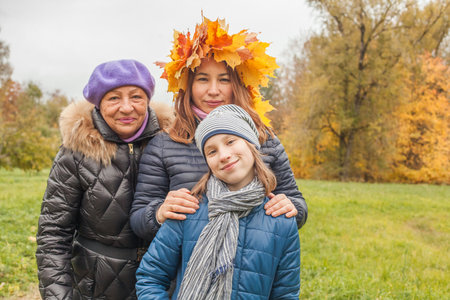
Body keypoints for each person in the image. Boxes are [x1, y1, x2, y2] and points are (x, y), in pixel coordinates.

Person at [131, 16, 308, 243]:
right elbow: (138, 220)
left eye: (223, 80)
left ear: (238, 85)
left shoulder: (265, 139)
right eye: (203, 79)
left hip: (252, 267)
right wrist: (158, 213)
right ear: (188, 86)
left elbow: (297, 203)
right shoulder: (165, 144)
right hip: (186, 271)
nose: (213, 91)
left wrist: (291, 207)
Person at [35, 59, 173, 300]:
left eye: (136, 97)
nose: (127, 108)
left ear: (148, 100)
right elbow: (54, 232)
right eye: (114, 98)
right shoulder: (77, 152)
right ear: (99, 103)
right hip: (95, 286)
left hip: (162, 281)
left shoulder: (172, 143)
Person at [136, 104, 301, 299]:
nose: (224, 155)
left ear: (251, 144)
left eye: (230, 141)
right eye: (212, 151)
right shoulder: (189, 209)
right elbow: (150, 277)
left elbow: (286, 295)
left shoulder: (281, 221)